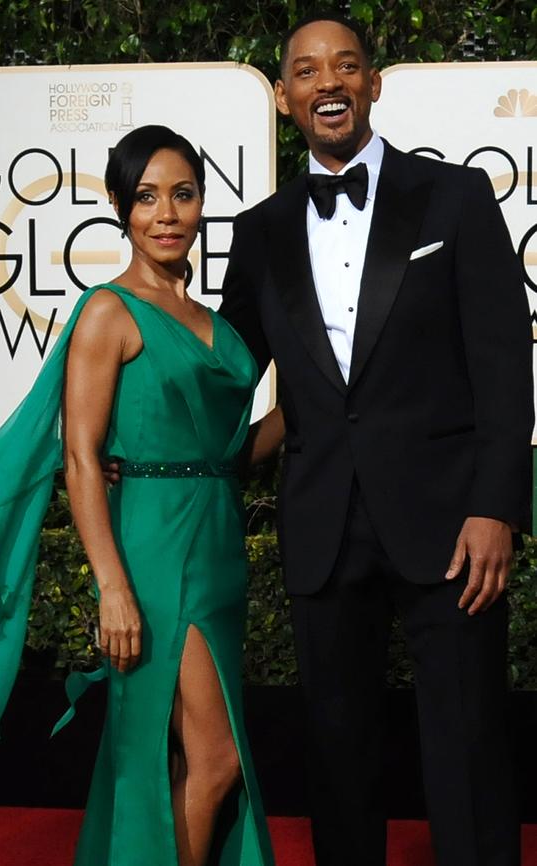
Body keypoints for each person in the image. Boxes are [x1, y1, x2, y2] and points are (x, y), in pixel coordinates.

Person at [0, 125, 281, 866]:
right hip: (156, 554)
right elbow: (80, 455)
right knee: (217, 759)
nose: (166, 213)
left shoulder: (215, 323)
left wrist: (306, 409)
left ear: (202, 205)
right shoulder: (108, 311)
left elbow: (227, 458)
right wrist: (111, 588)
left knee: (181, 757)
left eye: (184, 194)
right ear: (119, 209)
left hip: (219, 546)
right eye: (146, 197)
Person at [219, 13, 533, 866]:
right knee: (337, 758)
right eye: (310, 72)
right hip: (323, 524)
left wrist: (497, 507)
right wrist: (130, 415)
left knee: (469, 747)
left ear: (373, 84)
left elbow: (505, 364)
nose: (330, 83)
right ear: (286, 98)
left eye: (346, 67)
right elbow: (222, 372)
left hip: (451, 527)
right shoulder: (261, 231)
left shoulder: (456, 199)